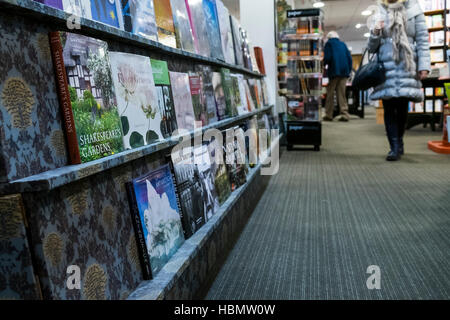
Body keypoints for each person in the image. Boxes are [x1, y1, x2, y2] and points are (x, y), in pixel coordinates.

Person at [368, 0, 430, 161]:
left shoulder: (414, 9)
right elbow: (372, 46)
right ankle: (394, 147)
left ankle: (399, 140)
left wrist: (424, 66)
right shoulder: (380, 10)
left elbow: (423, 40)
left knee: (402, 107)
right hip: (387, 66)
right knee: (389, 107)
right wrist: (375, 32)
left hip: (406, 64)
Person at [323, 31, 353, 122]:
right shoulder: (343, 44)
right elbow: (349, 58)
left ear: (329, 38)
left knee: (330, 93)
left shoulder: (329, 44)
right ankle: (344, 114)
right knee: (342, 94)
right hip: (344, 72)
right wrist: (348, 70)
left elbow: (327, 57)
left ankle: (329, 114)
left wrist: (323, 65)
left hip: (334, 71)